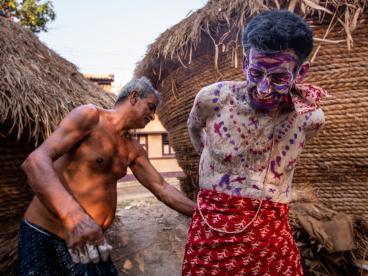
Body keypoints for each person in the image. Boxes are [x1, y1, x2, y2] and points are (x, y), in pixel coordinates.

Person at [183, 10, 328, 275]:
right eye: (256, 72)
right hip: (211, 231)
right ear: (244, 64)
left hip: (270, 235)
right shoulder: (212, 100)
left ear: (301, 72)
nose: (263, 88)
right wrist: (216, 162)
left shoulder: (309, 118)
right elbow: (194, 130)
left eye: (279, 78)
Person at [15, 76, 196, 275]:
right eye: (151, 107)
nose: (153, 116)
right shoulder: (91, 117)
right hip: (46, 235)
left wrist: (202, 214)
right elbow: (35, 162)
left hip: (90, 240)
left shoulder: (132, 148)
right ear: (134, 97)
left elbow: (162, 188)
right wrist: (73, 217)